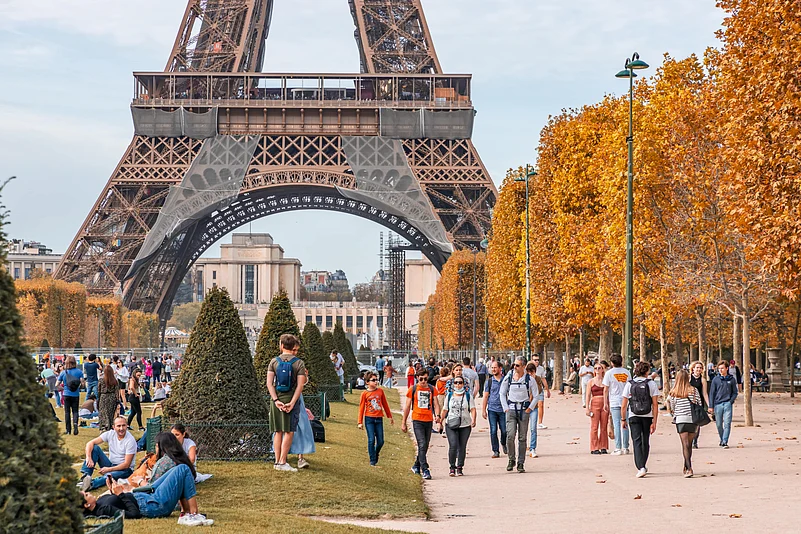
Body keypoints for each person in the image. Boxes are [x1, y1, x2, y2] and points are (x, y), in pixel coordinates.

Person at [81, 464, 212, 526]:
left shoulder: (99, 502)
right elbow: (134, 514)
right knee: (183, 469)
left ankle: (186, 513)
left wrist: (112, 489)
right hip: (152, 505)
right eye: (87, 494)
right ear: (87, 504)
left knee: (176, 470)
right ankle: (193, 514)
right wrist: (120, 494)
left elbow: (118, 499)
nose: (89, 493)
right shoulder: (104, 510)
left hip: (146, 495)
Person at [267, 334, 307, 472]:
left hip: (277, 399)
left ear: (282, 345)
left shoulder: (274, 362)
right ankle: (283, 461)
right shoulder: (299, 363)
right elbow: (300, 386)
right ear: (293, 347)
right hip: (291, 399)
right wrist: (292, 402)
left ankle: (277, 461)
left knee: (278, 431)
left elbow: (269, 383)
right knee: (289, 431)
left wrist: (276, 400)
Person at [621, 361, 660, 478]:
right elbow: (655, 404)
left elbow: (624, 404)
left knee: (636, 441)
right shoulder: (651, 384)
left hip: (633, 415)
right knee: (645, 441)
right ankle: (643, 464)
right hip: (647, 416)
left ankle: (640, 467)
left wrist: (623, 419)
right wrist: (654, 421)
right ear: (647, 371)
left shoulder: (629, 384)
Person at [499, 356, 539, 473]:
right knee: (510, 436)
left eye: (517, 365)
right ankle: (511, 459)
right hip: (511, 410)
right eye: (514, 365)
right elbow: (502, 393)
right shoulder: (509, 377)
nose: (515, 367)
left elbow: (536, 395)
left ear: (523, 366)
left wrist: (530, 408)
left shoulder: (529, 379)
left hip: (523, 410)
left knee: (522, 438)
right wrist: (505, 408)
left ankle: (521, 462)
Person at [401, 368, 441, 480]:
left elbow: (436, 404)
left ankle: (416, 465)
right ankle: (425, 469)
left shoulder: (432, 389)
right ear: (417, 378)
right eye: (421, 379)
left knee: (425, 446)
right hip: (417, 419)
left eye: (425, 378)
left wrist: (437, 416)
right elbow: (408, 406)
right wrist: (403, 422)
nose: (423, 381)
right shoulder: (413, 389)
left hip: (428, 420)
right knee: (422, 444)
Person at [80, 417, 138, 491]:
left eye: (123, 425)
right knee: (95, 448)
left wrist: (109, 469)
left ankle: (90, 484)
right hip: (111, 464)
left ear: (127, 426)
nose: (121, 428)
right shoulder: (110, 434)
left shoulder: (130, 440)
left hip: (125, 470)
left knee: (108, 476)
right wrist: (88, 458)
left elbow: (126, 464)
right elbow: (90, 443)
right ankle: (85, 476)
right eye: (118, 426)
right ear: (113, 427)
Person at [668, 369, 703, 477]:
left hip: (681, 419)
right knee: (689, 443)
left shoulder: (674, 392)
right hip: (692, 419)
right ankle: (687, 465)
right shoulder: (694, 390)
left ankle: (688, 468)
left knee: (685, 444)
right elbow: (699, 403)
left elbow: (672, 406)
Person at [441, 375, 477, 476]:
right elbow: (445, 409)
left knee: (462, 446)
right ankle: (452, 467)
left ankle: (460, 467)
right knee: (453, 445)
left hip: (465, 425)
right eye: (456, 382)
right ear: (453, 384)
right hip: (451, 424)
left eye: (460, 382)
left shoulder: (467, 396)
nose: (458, 384)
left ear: (463, 384)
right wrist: (440, 420)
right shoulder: (449, 395)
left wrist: (474, 419)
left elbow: (473, 409)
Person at [357, 371, 394, 466]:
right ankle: (372, 460)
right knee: (371, 440)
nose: (376, 382)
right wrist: (359, 422)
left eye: (376, 380)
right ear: (367, 382)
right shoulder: (364, 394)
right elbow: (361, 408)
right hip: (369, 419)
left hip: (379, 419)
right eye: (373, 380)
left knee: (381, 441)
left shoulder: (380, 391)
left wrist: (389, 416)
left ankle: (375, 452)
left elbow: (385, 404)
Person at [603, 354, 632, 455]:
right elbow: (630, 387)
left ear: (611, 363)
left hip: (614, 400)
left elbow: (606, 389)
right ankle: (625, 446)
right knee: (625, 423)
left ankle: (618, 447)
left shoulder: (609, 373)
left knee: (616, 423)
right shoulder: (626, 372)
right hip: (625, 400)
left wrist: (605, 402)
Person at [709, 359, 738, 449]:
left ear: (726, 368)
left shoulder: (732, 379)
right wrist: (711, 406)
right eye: (719, 368)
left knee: (727, 423)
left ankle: (725, 441)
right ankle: (722, 439)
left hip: (727, 403)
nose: (720, 370)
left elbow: (735, 392)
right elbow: (712, 393)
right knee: (718, 424)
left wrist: (730, 401)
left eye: (722, 368)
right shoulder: (715, 379)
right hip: (718, 404)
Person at [482, 360, 507, 458]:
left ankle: (504, 443)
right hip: (492, 409)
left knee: (504, 430)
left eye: (495, 367)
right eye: (492, 368)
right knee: (493, 430)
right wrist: (483, 410)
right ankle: (495, 450)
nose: (493, 369)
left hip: (503, 409)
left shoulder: (505, 380)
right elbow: (485, 396)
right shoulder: (489, 381)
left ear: (500, 368)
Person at [56, 355, 85, 435]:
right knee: (75, 411)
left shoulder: (63, 372)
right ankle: (75, 423)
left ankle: (68, 430)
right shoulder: (79, 372)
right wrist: (79, 388)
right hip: (75, 394)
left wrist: (63, 389)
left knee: (67, 412)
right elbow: (83, 383)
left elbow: (56, 384)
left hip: (66, 394)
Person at [585, 361, 609, 454]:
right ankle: (594, 447)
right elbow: (587, 395)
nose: (597, 370)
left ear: (603, 370)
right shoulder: (590, 382)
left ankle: (603, 446)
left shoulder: (606, 381)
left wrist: (607, 404)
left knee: (604, 426)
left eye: (599, 368)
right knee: (594, 427)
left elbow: (608, 393)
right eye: (595, 368)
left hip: (605, 403)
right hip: (594, 403)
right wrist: (587, 408)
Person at [525, 363, 547, 458]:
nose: (530, 374)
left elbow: (538, 391)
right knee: (523, 429)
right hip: (524, 406)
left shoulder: (537, 379)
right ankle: (523, 446)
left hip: (534, 407)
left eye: (532, 372)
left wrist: (533, 381)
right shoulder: (523, 379)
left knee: (533, 428)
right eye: (528, 372)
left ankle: (532, 448)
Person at [689, 361, 709, 448]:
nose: (699, 369)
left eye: (700, 368)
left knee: (697, 422)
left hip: (698, 403)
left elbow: (705, 393)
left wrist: (709, 405)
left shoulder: (703, 380)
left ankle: (695, 441)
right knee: (689, 422)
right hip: (688, 402)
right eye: (697, 367)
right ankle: (689, 439)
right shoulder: (688, 378)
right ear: (693, 369)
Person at [531, 354, 550, 429]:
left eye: (538, 360)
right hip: (531, 390)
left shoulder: (541, 369)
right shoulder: (528, 368)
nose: (537, 361)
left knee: (541, 404)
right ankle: (532, 422)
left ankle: (540, 422)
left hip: (539, 389)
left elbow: (543, 379)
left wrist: (547, 390)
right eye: (535, 360)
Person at [98, 364, 120, 431]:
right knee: (111, 413)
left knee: (103, 412)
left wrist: (99, 398)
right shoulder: (115, 381)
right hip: (112, 397)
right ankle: (110, 425)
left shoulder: (101, 380)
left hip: (103, 396)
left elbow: (98, 390)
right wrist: (117, 400)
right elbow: (117, 391)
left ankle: (104, 425)